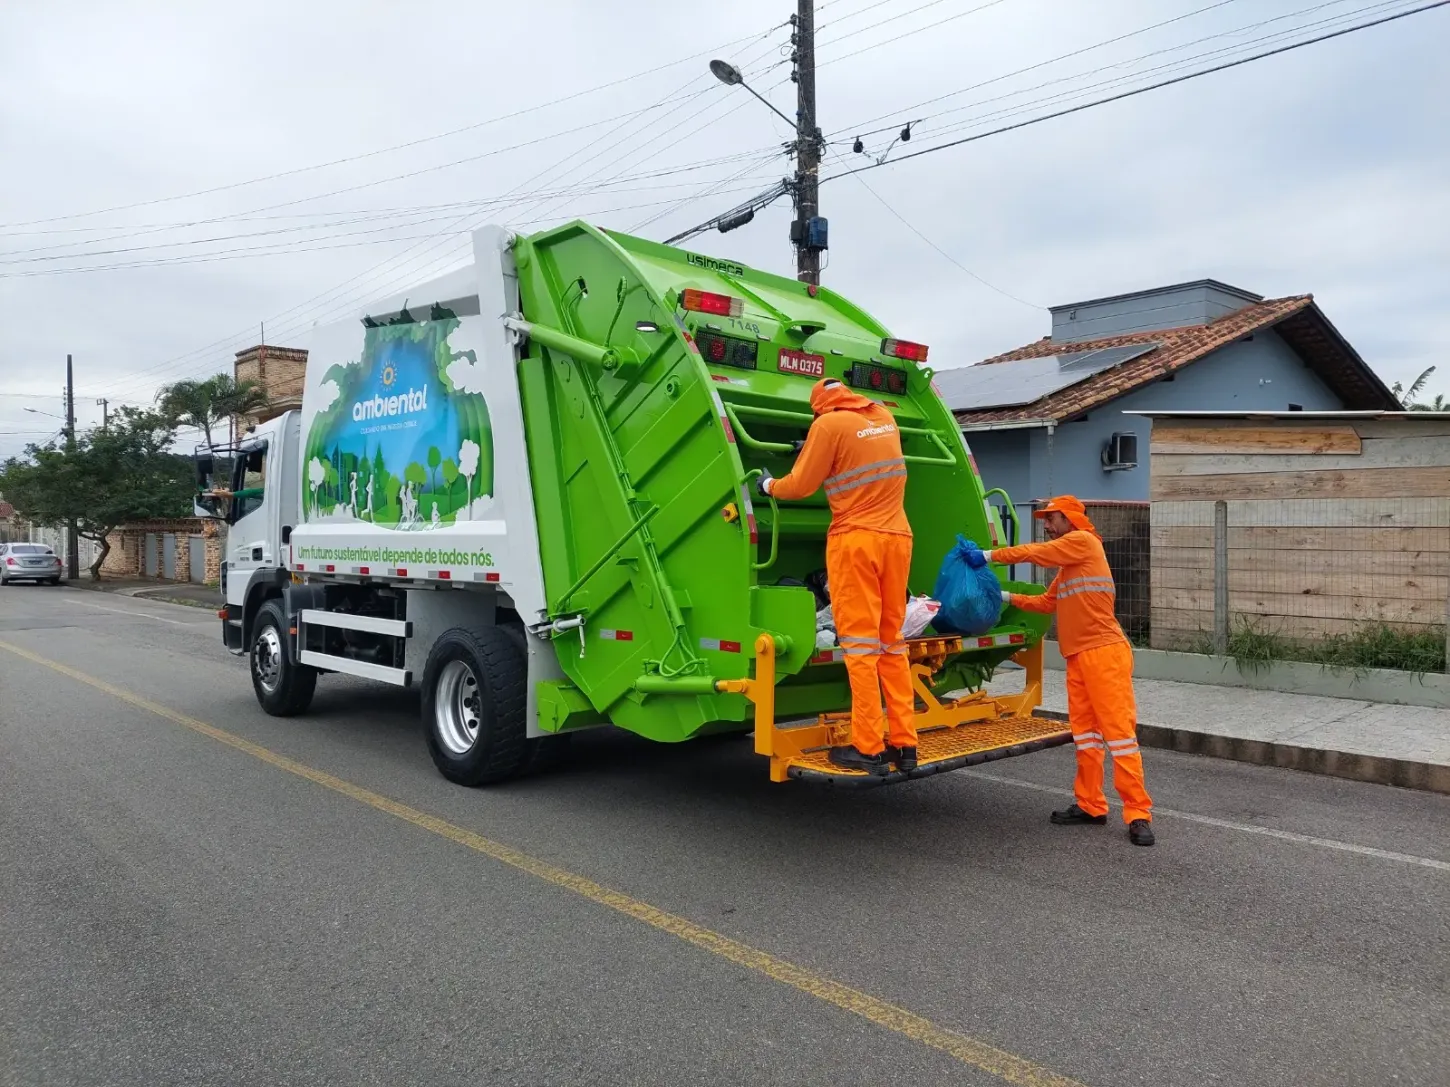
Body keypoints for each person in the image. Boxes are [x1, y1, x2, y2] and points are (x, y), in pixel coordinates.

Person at [964, 496, 1155, 846]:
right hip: (1079, 658)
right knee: (1086, 735)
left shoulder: (1082, 542)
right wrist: (1003, 596)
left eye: (1051, 518)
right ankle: (1091, 805)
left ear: (1070, 518)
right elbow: (1047, 604)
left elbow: (1036, 553)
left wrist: (989, 557)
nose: (1046, 525)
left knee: (1119, 736)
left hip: (1103, 654)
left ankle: (1138, 813)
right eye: (1045, 519)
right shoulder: (1070, 566)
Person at [759, 378, 915, 776]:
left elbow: (800, 485)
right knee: (891, 644)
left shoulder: (827, 426)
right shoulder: (883, 416)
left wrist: (768, 485)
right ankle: (904, 744)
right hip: (897, 537)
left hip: (856, 541)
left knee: (861, 647)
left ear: (820, 408)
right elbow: (859, 457)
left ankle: (867, 748)